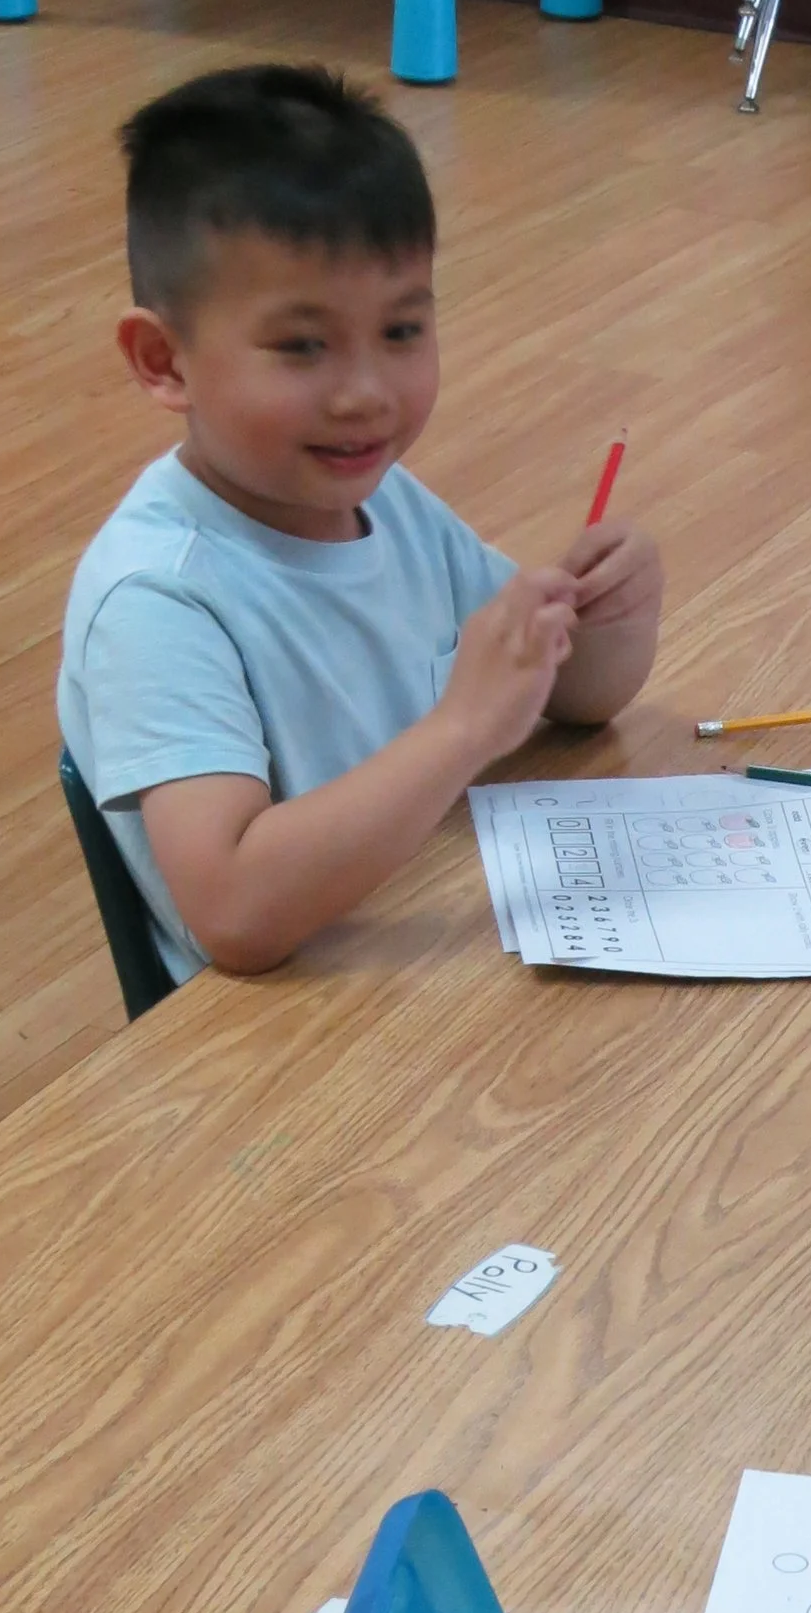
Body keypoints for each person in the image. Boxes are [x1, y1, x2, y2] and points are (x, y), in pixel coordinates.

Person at [57, 64, 661, 984]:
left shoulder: (384, 506)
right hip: (289, 1054)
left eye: (402, 332)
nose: (366, 393)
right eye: (303, 346)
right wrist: (460, 729)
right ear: (162, 360)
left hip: (426, 956)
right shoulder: (161, 598)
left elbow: (575, 700)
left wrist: (613, 616)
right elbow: (234, 913)